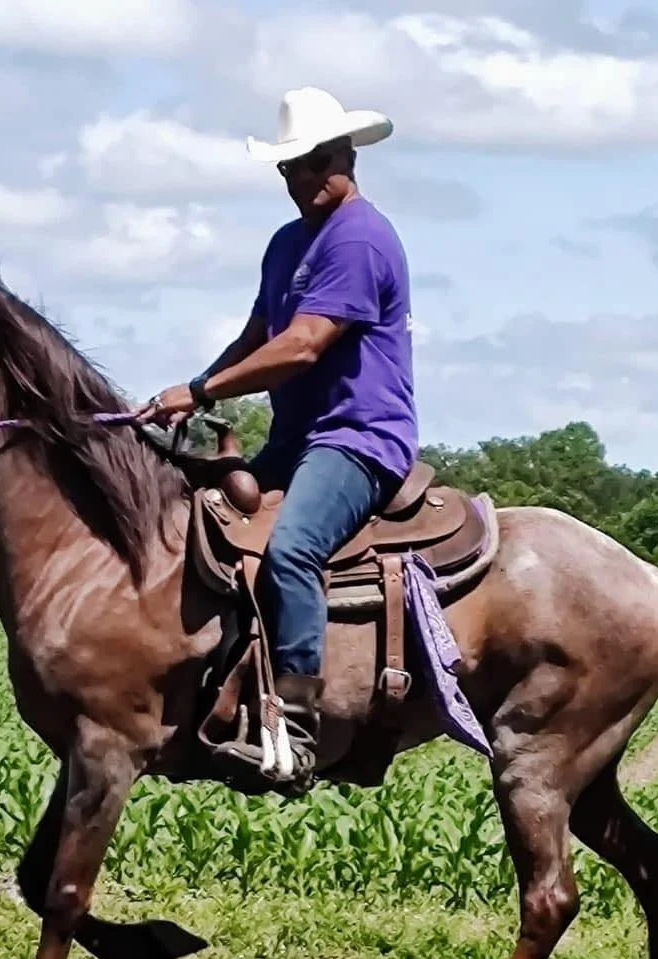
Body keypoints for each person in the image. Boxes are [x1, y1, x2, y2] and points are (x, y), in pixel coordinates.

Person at [135, 86, 417, 781]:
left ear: (346, 158)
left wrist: (201, 392)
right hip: (295, 440)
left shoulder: (360, 238)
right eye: (289, 166)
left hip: (358, 439)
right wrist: (190, 390)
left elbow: (302, 346)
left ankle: (297, 720)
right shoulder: (287, 244)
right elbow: (258, 337)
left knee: (292, 549)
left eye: (314, 162)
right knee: (197, 520)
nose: (301, 179)